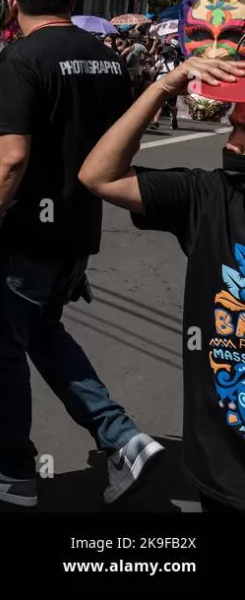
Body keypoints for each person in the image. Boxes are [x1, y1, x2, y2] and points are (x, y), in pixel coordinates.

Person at [0, 0, 163, 508]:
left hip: (22, 235)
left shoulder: (21, 59)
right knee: (41, 333)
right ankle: (122, 439)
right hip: (76, 230)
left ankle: (11, 469)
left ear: (14, 2)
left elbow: (10, 156)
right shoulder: (108, 59)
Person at [80, 55, 245, 513]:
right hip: (222, 469)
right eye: (232, 128)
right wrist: (160, 88)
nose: (231, 145)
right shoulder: (209, 196)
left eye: (244, 135)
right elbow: (100, 176)